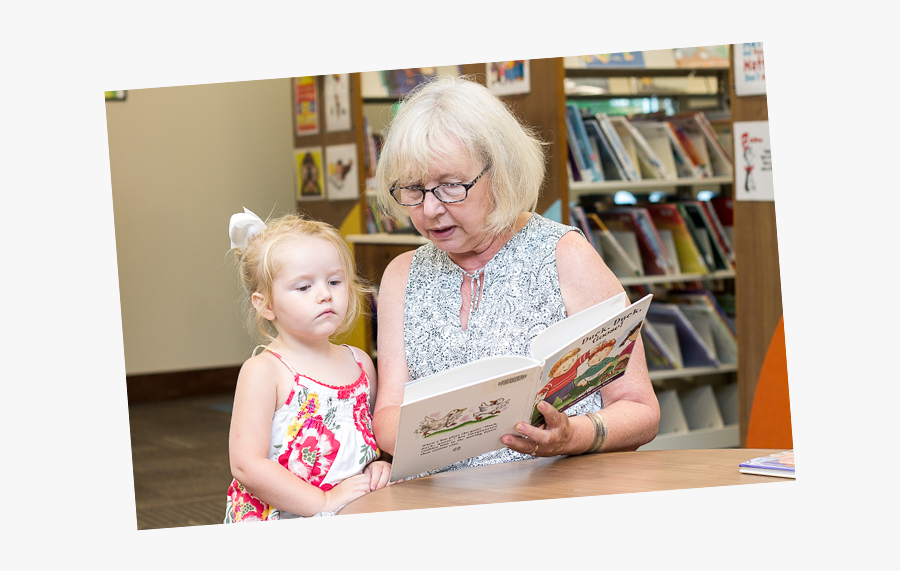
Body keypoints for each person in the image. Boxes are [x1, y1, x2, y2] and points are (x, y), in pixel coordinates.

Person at [371, 76, 660, 476]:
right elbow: (388, 414)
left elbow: (640, 409)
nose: (430, 210)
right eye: (414, 189)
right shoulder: (402, 275)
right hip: (438, 498)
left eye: (450, 186)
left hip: (555, 492)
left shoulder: (565, 255)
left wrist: (571, 436)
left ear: (500, 171)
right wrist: (453, 432)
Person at [224, 208, 391, 521]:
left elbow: (365, 444)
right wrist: (323, 500)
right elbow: (247, 465)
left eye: (334, 281)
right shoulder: (264, 372)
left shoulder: (360, 364)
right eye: (304, 287)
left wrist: (377, 465)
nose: (325, 295)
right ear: (266, 304)